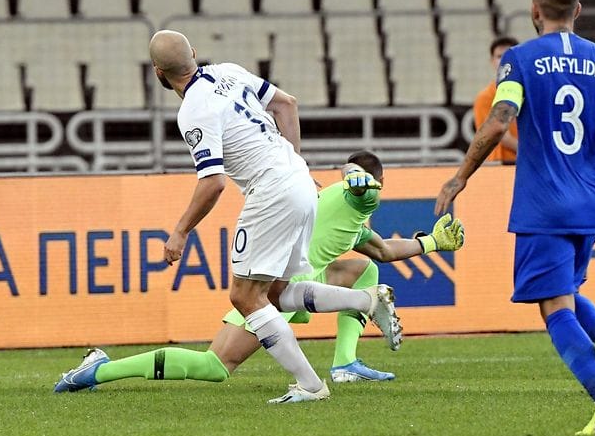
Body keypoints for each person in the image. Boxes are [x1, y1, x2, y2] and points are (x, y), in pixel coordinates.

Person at [82, 30, 400, 404]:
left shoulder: (193, 111)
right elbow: (288, 105)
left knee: (244, 296)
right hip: (298, 178)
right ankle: (364, 301)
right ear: (195, 54)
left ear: (157, 72)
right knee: (276, 293)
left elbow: (213, 182)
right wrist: (293, 162)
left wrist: (181, 231)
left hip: (272, 191)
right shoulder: (228, 72)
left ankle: (311, 385)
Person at [434, 0, 595, 436]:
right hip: (589, 202)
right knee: (565, 293)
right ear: (578, 10)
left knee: (553, 309)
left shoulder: (521, 60)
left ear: (534, 9)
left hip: (543, 204)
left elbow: (498, 121)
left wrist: (459, 177)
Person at [53, 151, 465, 394]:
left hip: (287, 284)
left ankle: (344, 362)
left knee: (364, 269)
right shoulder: (352, 197)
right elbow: (354, 185)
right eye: (378, 183)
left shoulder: (343, 218)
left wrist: (431, 243)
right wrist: (356, 179)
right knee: (213, 367)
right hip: (269, 291)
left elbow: (385, 249)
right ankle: (98, 370)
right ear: (378, 179)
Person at [473, 36, 519, 164]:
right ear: (492, 61)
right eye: (499, 56)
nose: (504, 60)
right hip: (500, 164)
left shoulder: (531, 92)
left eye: (508, 55)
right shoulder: (486, 97)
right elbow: (495, 133)